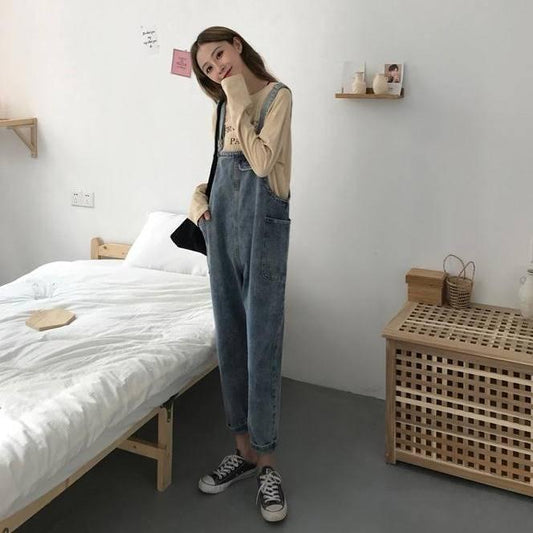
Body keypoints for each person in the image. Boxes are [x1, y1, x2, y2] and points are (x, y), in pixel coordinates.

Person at [188, 26, 292, 523]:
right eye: (208, 68)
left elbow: (263, 162)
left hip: (263, 230)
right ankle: (244, 453)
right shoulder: (219, 110)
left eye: (219, 55)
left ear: (237, 46)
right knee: (230, 339)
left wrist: (235, 98)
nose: (217, 68)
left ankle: (268, 464)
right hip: (222, 232)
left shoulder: (276, 97)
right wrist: (198, 201)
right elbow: (218, 172)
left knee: (261, 343)